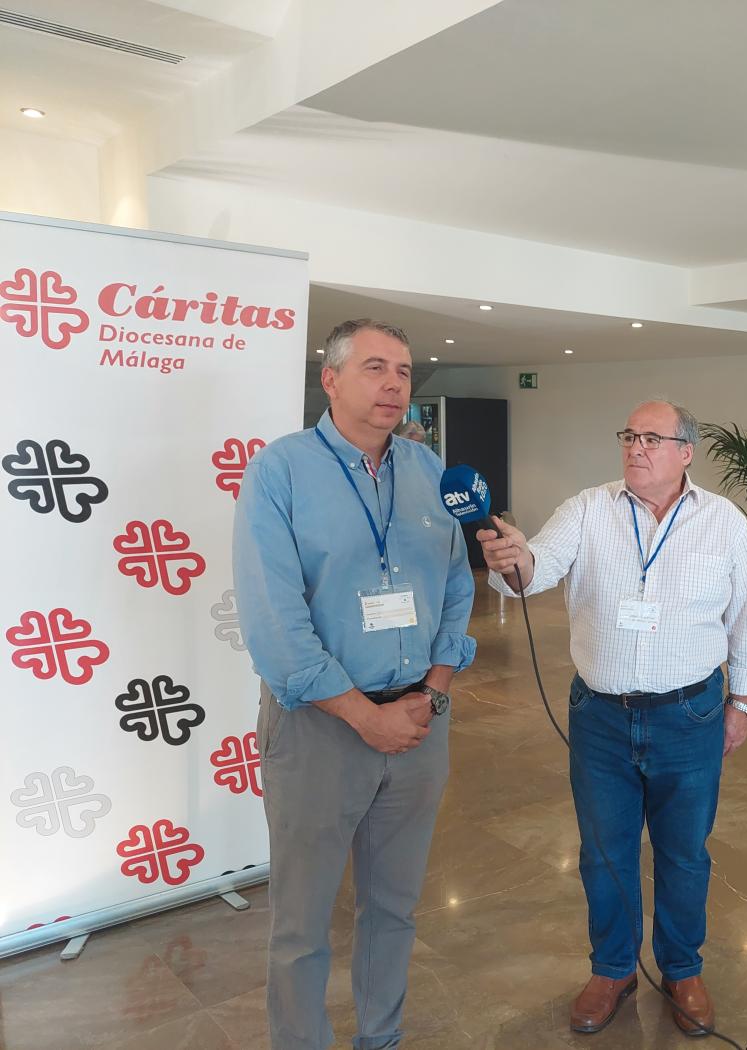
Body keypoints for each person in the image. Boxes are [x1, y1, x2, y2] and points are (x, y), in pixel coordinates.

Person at [476, 400, 747, 1036]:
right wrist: (514, 560)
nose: (636, 447)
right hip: (601, 718)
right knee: (604, 852)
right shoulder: (588, 508)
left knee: (684, 854)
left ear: (685, 452)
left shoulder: (722, 521)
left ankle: (682, 969)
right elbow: (536, 571)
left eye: (652, 438)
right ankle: (613, 968)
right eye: (630, 436)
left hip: (690, 713)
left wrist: (741, 702)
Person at [233, 318, 477, 1050]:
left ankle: (382, 1039)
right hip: (319, 729)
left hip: (419, 723)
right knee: (302, 924)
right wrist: (363, 718)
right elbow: (276, 625)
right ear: (331, 379)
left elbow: (458, 589)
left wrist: (430, 694)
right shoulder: (279, 471)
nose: (395, 384)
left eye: (404, 370)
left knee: (395, 909)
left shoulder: (432, 472)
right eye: (376, 368)